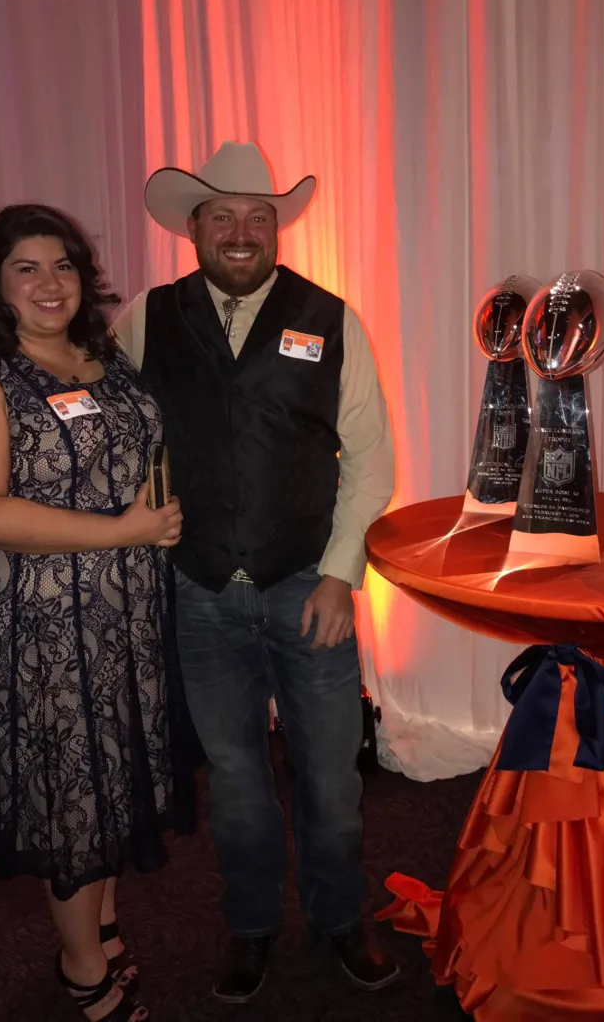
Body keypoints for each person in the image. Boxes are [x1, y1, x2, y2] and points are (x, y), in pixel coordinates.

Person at [113, 141, 398, 1002]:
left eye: (258, 217)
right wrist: (140, 520)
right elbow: (120, 440)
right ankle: (249, 927)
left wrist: (341, 575)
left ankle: (340, 916)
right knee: (236, 783)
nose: (241, 231)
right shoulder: (144, 318)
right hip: (200, 593)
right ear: (193, 227)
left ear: (277, 228)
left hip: (306, 584)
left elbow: (372, 459)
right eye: (223, 216)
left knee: (329, 778)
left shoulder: (331, 315)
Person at [0, 204, 198, 1022]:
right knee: (70, 788)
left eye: (64, 265)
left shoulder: (101, 353)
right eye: (27, 267)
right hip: (34, 620)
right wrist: (122, 528)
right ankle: (82, 967)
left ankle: (105, 923)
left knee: (114, 767)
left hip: (121, 610)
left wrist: (156, 512)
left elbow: (133, 453)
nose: (50, 283)